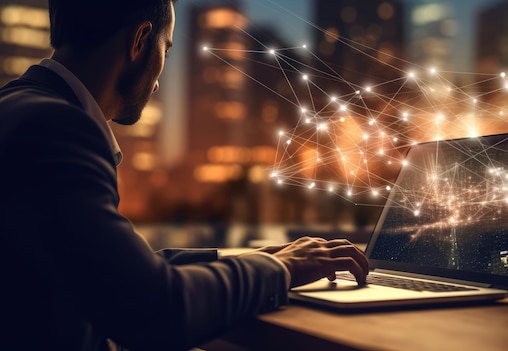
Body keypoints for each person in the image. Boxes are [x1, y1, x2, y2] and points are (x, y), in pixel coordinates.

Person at [0, 1, 369, 350]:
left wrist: (252, 258)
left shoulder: (20, 108)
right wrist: (280, 269)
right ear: (140, 41)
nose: (159, 80)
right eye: (167, 49)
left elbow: (108, 271)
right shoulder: (57, 129)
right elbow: (151, 306)